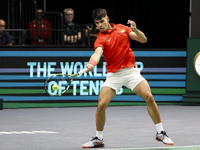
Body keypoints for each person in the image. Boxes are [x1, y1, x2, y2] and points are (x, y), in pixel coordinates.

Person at [82, 8, 174, 148]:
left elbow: (143, 40)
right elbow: (97, 53)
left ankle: (161, 132)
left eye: (101, 21)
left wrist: (136, 29)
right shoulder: (100, 39)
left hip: (131, 72)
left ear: (107, 19)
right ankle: (98, 139)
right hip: (114, 75)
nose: (100, 25)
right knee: (101, 105)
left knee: (149, 97)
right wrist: (91, 63)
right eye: (97, 23)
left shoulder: (122, 29)